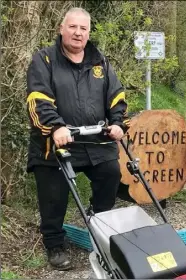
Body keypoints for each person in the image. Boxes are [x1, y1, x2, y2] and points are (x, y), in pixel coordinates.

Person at [26, 7, 129, 270]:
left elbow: (116, 97)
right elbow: (37, 99)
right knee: (53, 195)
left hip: (95, 142)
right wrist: (56, 127)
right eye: (73, 27)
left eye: (83, 28)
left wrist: (117, 124)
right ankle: (54, 243)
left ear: (89, 33)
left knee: (110, 173)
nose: (78, 33)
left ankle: (100, 224)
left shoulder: (101, 62)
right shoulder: (44, 60)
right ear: (62, 29)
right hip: (55, 144)